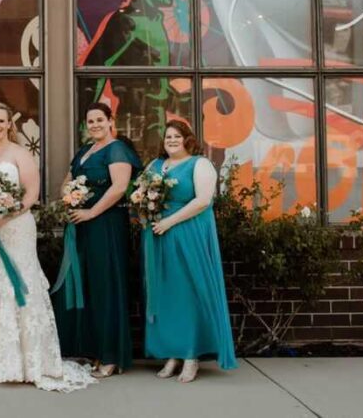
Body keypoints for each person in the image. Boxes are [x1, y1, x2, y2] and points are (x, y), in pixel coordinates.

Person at [0, 103, 95, 392]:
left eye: (1, 121)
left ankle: (24, 361)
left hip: (15, 229)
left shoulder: (20, 154)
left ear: (9, 124)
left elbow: (31, 194)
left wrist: (4, 217)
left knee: (18, 284)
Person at [141, 120, 237, 382]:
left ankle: (191, 355)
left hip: (187, 233)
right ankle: (172, 353)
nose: (171, 140)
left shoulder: (199, 164)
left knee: (188, 293)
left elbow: (203, 200)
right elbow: (140, 193)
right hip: (158, 235)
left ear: (187, 139)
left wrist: (169, 221)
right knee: (166, 294)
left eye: (176, 136)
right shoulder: (155, 166)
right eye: (167, 136)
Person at [52, 103, 142, 378]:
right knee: (88, 286)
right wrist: (70, 197)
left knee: (106, 286)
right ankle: (94, 349)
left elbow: (118, 188)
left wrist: (91, 210)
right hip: (83, 227)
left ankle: (111, 355)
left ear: (110, 121)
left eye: (99, 120)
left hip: (106, 225)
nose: (94, 125)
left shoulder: (117, 150)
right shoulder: (84, 151)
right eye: (90, 121)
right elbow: (67, 182)